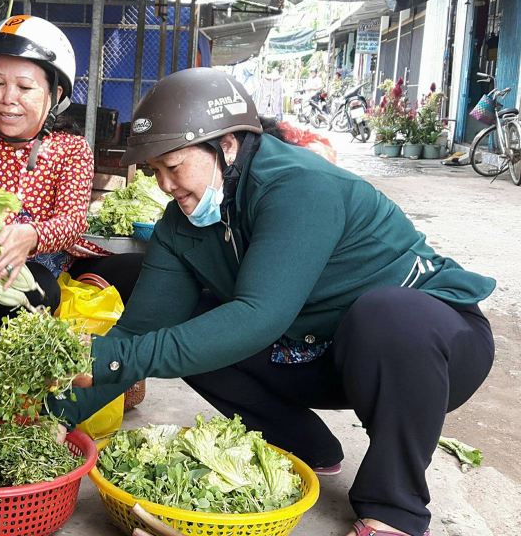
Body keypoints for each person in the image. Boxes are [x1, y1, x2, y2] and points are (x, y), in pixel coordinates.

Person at [52, 68, 495, 536]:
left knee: (387, 315)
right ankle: (303, 447)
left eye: (174, 166)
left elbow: (258, 318)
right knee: (194, 331)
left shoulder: (298, 185)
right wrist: (55, 416)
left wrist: (113, 359)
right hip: (314, 351)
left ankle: (394, 510)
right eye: (153, 172)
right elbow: (140, 333)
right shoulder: (181, 223)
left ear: (224, 145)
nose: (165, 185)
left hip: (425, 352)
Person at [0, 15, 143, 345]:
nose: (8, 98)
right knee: (34, 288)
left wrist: (31, 235)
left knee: (147, 270)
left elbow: (72, 222)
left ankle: (114, 364)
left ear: (55, 94)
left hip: (58, 268)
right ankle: (4, 378)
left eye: (25, 87)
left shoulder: (70, 150)